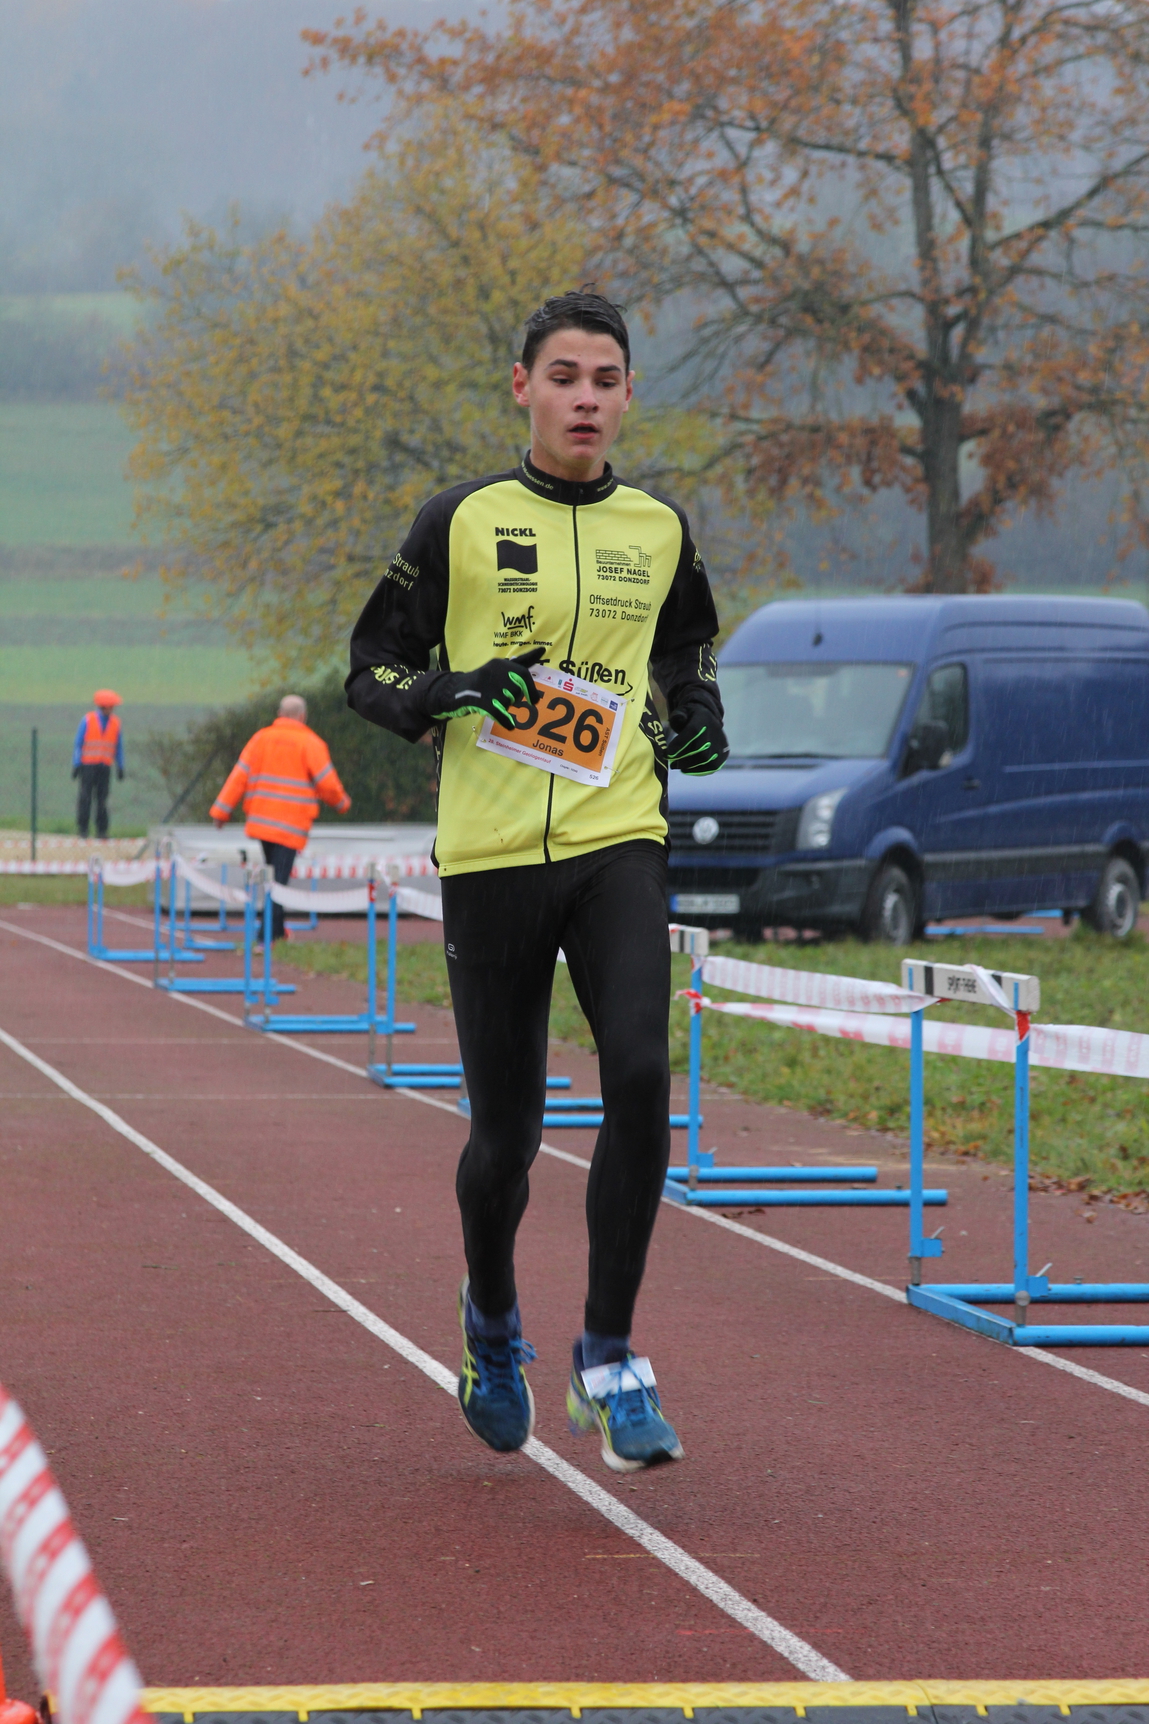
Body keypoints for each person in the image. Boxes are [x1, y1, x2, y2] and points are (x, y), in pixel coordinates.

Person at [346, 289, 727, 1472]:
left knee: (641, 1073)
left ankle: (608, 1357)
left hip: (620, 836)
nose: (585, 399)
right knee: (506, 1137)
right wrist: (443, 692)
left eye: (606, 380)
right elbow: (368, 664)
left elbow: (687, 647)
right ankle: (491, 1320)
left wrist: (699, 710)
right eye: (564, 377)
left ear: (628, 395)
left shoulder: (657, 528)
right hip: (494, 852)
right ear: (523, 387)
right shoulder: (458, 519)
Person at [209, 694, 351, 941]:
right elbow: (327, 783)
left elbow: (238, 777)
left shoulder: (260, 739)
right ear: (303, 716)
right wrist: (342, 804)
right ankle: (265, 937)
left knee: (275, 878)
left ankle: (276, 930)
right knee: (278, 882)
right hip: (291, 826)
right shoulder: (310, 743)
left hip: (262, 823)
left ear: (279, 714)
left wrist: (221, 811)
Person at [73, 689, 125, 840]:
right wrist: (76, 764)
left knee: (102, 800)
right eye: (110, 706)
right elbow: (78, 743)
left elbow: (119, 747)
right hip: (88, 765)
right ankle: (83, 829)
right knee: (85, 798)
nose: (112, 709)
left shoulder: (116, 723)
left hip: (105, 766)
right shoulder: (88, 720)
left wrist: (120, 766)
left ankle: (102, 831)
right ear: (103, 706)